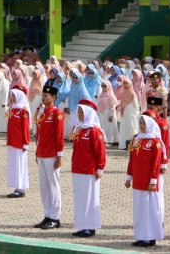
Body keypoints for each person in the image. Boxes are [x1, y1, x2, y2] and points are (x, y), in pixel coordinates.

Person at [126, 114, 164, 248]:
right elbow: (132, 159)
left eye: (144, 123)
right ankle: (141, 236)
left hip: (148, 183)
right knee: (139, 210)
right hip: (138, 181)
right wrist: (129, 177)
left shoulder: (155, 142)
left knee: (149, 210)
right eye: (140, 123)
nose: (142, 126)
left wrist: (153, 181)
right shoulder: (136, 139)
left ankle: (150, 237)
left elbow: (156, 164)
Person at [71, 101, 106, 238]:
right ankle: (82, 225)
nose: (80, 115)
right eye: (79, 112)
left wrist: (100, 168)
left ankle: (90, 227)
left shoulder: (94, 131)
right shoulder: (78, 129)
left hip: (90, 170)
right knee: (80, 199)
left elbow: (100, 151)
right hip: (78, 168)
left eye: (82, 112)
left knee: (90, 199)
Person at [34, 85, 65, 230]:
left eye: (46, 96)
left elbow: (59, 136)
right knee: (44, 187)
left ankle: (55, 217)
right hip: (41, 153)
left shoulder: (57, 113)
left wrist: (59, 156)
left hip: (51, 155)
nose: (43, 97)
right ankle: (47, 214)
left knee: (53, 186)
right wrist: (37, 152)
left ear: (53, 98)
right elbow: (39, 134)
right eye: (43, 95)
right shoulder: (42, 112)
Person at [6, 87, 30, 198]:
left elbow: (25, 128)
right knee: (14, 164)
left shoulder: (23, 111)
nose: (13, 98)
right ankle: (16, 186)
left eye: (14, 96)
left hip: (20, 142)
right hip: (12, 141)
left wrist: (26, 143)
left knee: (20, 164)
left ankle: (21, 189)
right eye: (12, 96)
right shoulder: (13, 108)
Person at [117, 75, 140, 150]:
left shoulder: (133, 93)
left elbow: (136, 105)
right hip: (124, 114)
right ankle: (123, 145)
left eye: (127, 83)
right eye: (124, 83)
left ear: (130, 84)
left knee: (132, 128)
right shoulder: (123, 93)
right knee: (124, 128)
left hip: (131, 114)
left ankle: (132, 144)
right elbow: (122, 103)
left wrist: (135, 114)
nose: (125, 85)